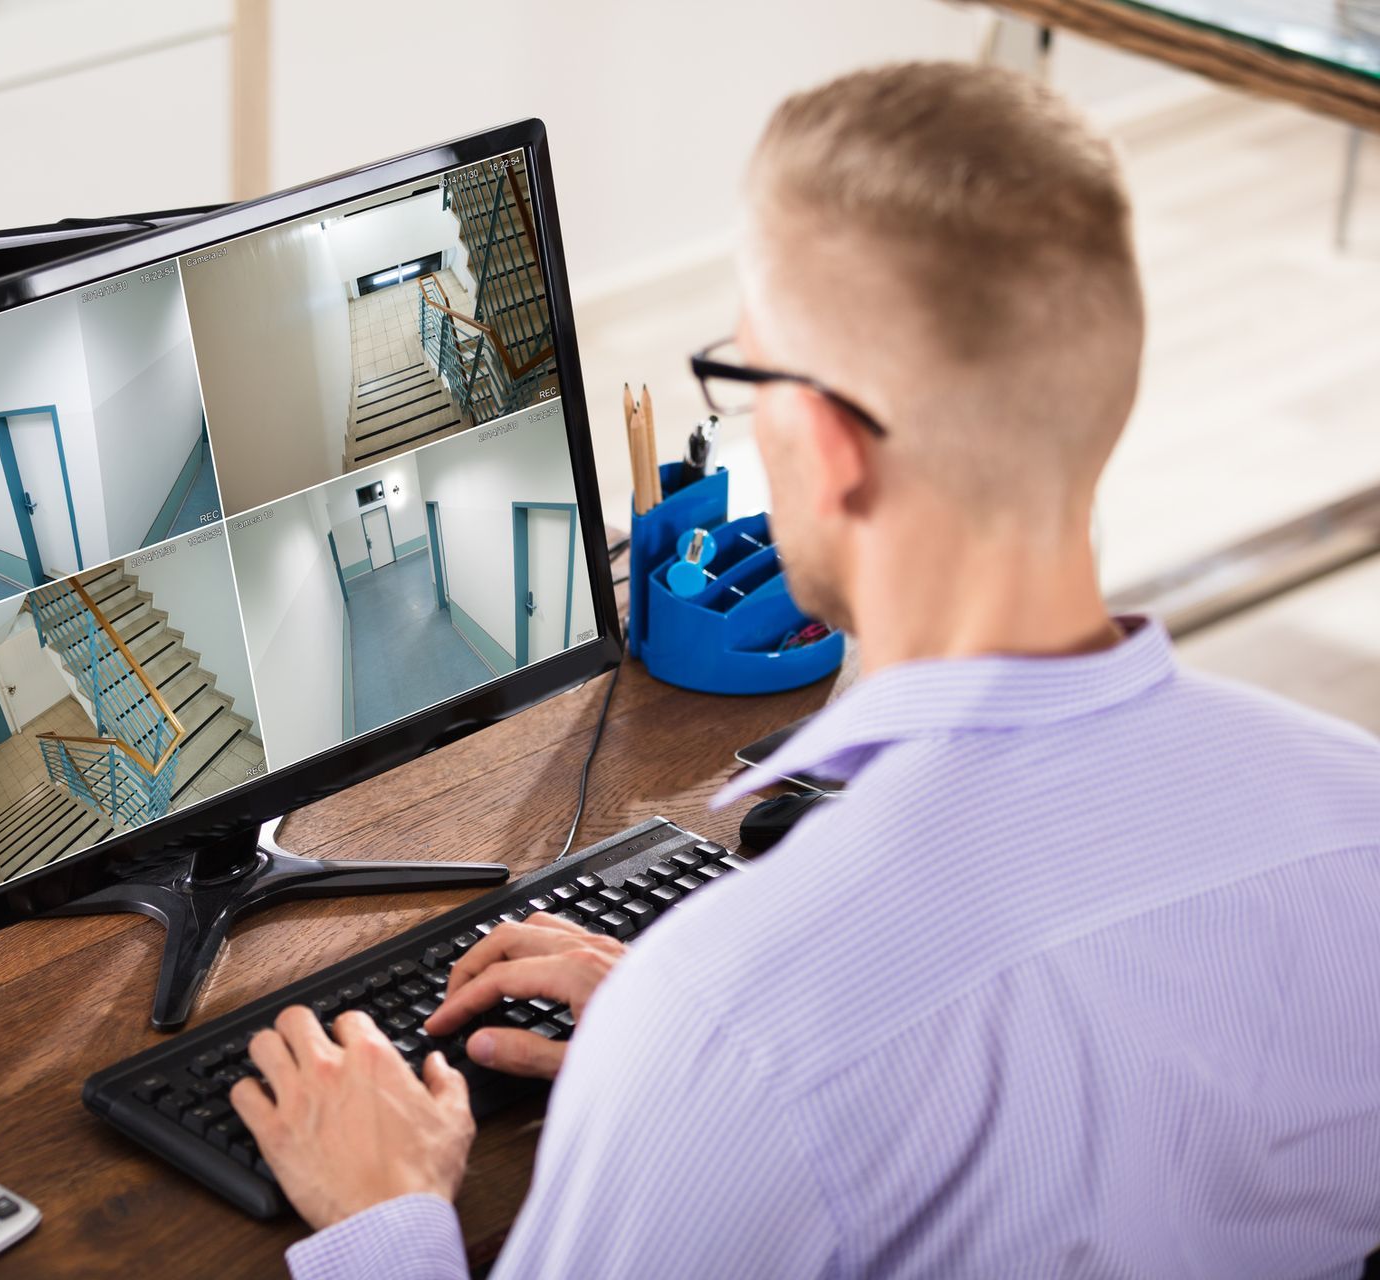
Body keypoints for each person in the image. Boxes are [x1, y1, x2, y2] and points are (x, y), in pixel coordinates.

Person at [230, 61, 1380, 1278]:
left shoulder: (735, 1023)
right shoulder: (1357, 809)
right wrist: (691, 1029)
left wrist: (385, 1222)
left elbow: (798, 1037)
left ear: (829, 445)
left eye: (749, 376)